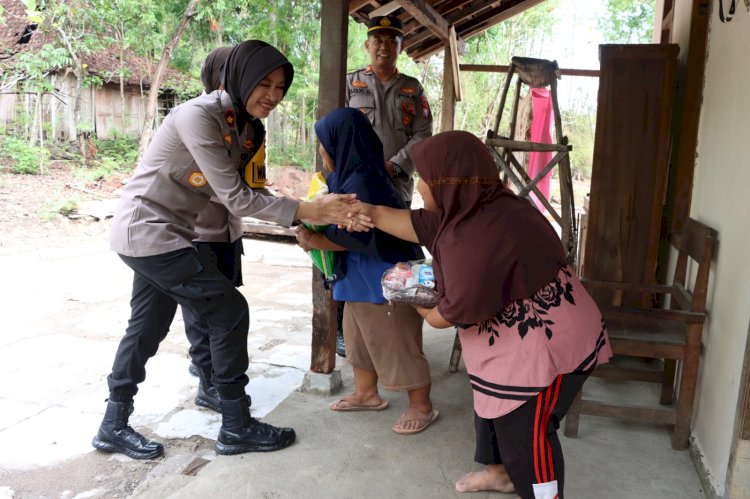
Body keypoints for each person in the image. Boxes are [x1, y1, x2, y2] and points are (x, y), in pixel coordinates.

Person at [92, 40, 363, 460]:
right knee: (229, 310)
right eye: (264, 84)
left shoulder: (239, 124)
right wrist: (309, 209)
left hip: (166, 235)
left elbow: (245, 191)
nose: (272, 95)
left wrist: (307, 208)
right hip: (149, 233)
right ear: (240, 77)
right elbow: (237, 198)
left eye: (280, 87)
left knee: (147, 328)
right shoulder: (199, 116)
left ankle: (112, 425)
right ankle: (236, 426)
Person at [355, 131, 613, 498]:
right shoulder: (470, 206)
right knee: (494, 410)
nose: (420, 186)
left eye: (426, 178)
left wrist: (420, 306)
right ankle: (500, 474)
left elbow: (449, 314)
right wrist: (358, 211)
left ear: (448, 180)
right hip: (511, 345)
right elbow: (403, 221)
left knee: (529, 435)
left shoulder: (476, 237)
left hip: (548, 349)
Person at [295, 108, 438, 435]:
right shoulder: (347, 176)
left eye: (324, 143)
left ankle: (422, 406)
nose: (321, 151)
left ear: (342, 143)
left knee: (397, 344)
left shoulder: (365, 181)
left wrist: (313, 239)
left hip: (386, 284)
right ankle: (366, 393)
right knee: (359, 340)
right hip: (360, 283)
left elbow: (354, 236)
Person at [338, 14, 433, 357]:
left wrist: (395, 165)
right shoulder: (348, 83)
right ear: (367, 45)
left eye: (391, 40)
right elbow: (334, 129)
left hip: (396, 186)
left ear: (400, 47)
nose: (383, 46)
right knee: (350, 250)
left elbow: (423, 134)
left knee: (395, 253)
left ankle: (398, 321)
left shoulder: (412, 88)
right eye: (377, 39)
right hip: (355, 186)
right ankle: (344, 328)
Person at [183, 46, 265, 413]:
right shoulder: (197, 118)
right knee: (203, 314)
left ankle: (217, 375)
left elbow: (250, 180)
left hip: (229, 232)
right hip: (196, 235)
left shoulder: (249, 125)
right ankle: (208, 382)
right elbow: (219, 186)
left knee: (223, 311)